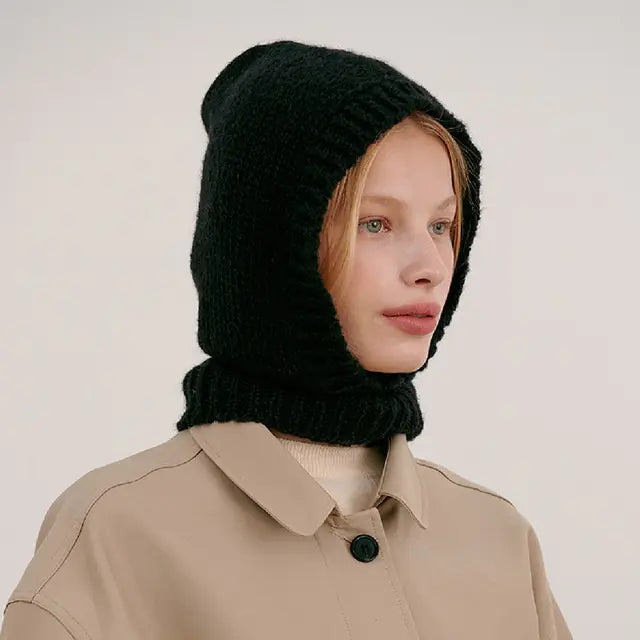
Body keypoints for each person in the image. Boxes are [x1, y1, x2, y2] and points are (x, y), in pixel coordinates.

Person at [0, 39, 573, 639]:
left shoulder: (498, 540)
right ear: (270, 248)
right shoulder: (117, 535)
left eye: (441, 225)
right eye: (375, 223)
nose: (430, 265)